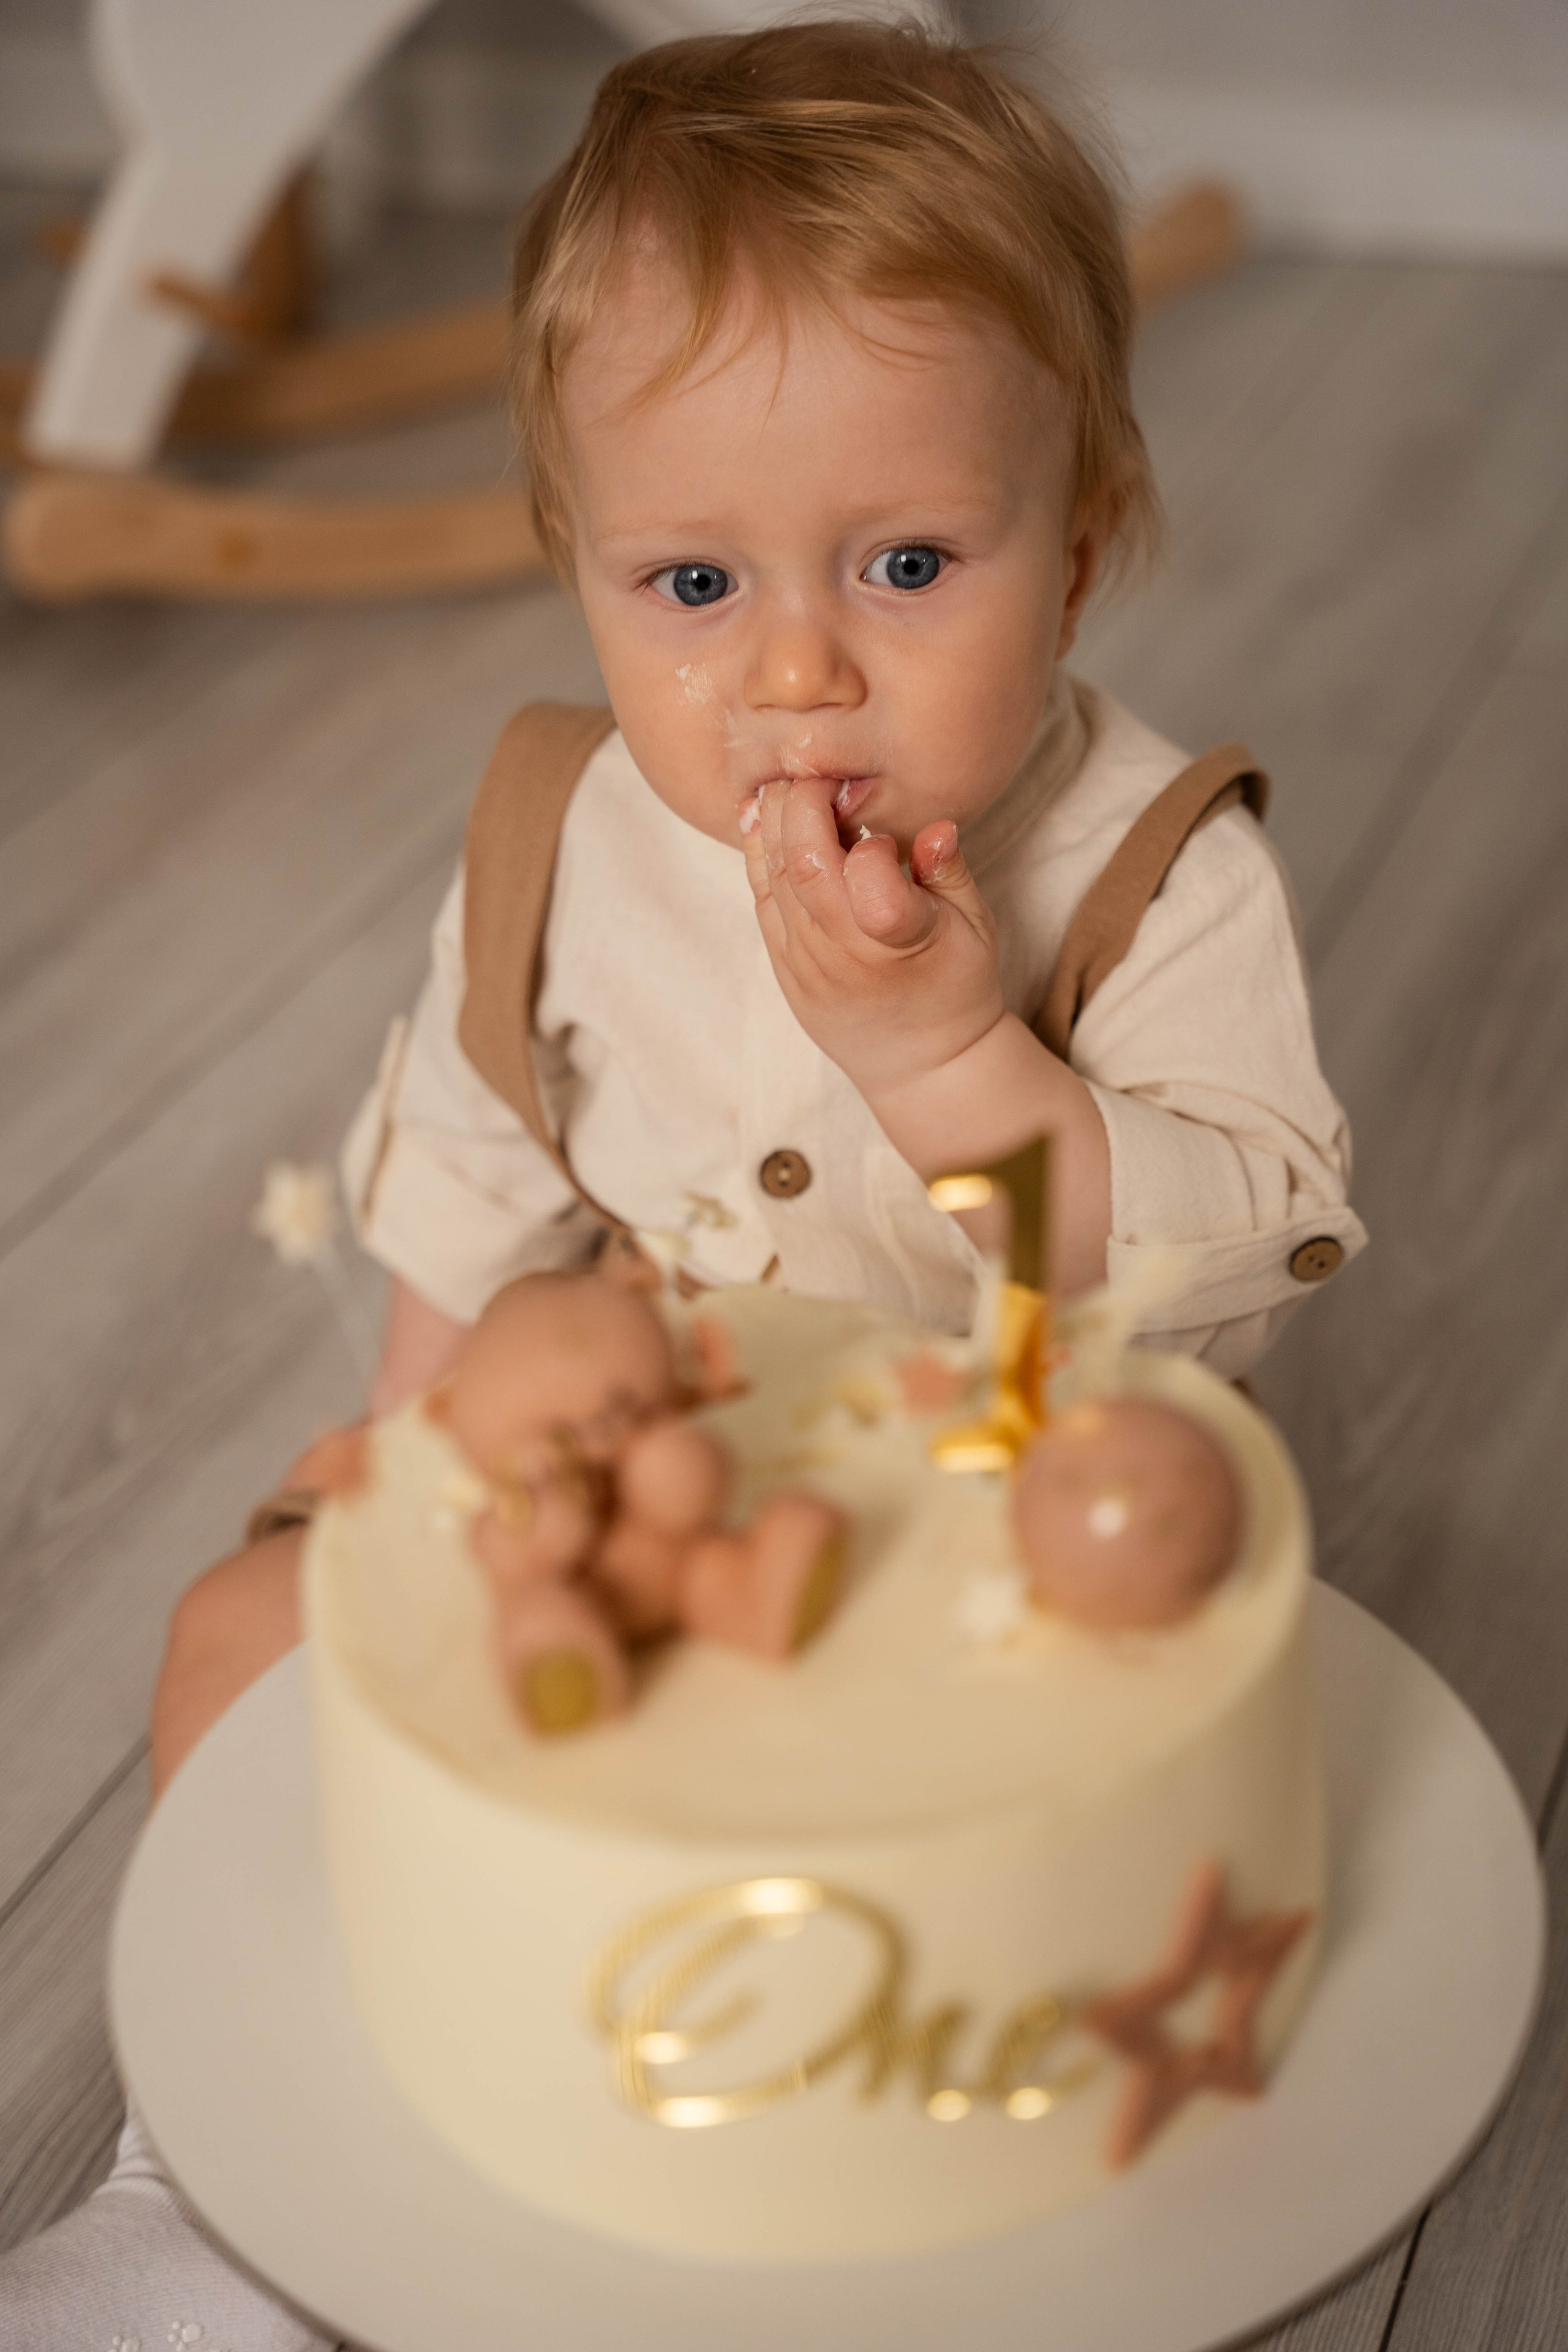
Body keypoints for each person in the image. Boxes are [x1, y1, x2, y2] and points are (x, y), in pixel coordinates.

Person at [1, 20, 1365, 2348]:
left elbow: (1221, 1279)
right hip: (632, 1476)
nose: (797, 672)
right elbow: (477, 1147)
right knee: (239, 1639)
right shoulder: (566, 825)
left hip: (976, 1543)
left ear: (1079, 552)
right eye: (693, 585)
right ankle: (215, 2183)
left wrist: (945, 1053)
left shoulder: (1157, 876)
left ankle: (843, 2198)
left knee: (916, 1865)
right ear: (580, 567)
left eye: (908, 562)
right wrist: (423, 1468)